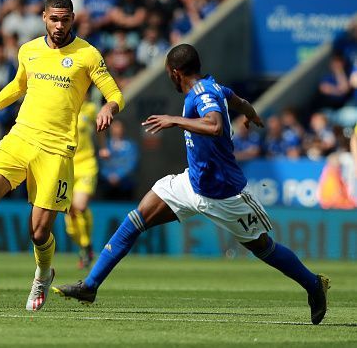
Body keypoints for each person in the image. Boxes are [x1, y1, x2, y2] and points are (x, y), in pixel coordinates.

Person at [53, 44, 330, 325]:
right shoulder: (214, 87)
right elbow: (239, 101)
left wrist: (175, 120)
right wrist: (251, 114)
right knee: (136, 219)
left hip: (225, 194)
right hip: (191, 183)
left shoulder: (203, 93)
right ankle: (90, 285)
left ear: (175, 73)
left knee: (263, 247)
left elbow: (214, 126)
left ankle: (313, 284)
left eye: (168, 74)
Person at [0, 0, 124, 311]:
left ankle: (42, 275)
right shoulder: (29, 50)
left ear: (73, 18)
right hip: (21, 137)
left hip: (56, 149)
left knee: (38, 233)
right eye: (54, 19)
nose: (59, 25)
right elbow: (17, 86)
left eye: (65, 19)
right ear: (43, 17)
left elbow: (115, 92)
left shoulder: (88, 55)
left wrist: (108, 108)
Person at [64, 97, 109, 269]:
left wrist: (103, 147)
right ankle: (86, 246)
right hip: (67, 165)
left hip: (87, 164)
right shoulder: (64, 105)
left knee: (80, 206)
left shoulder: (90, 109)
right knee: (71, 215)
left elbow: (100, 128)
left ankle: (85, 247)